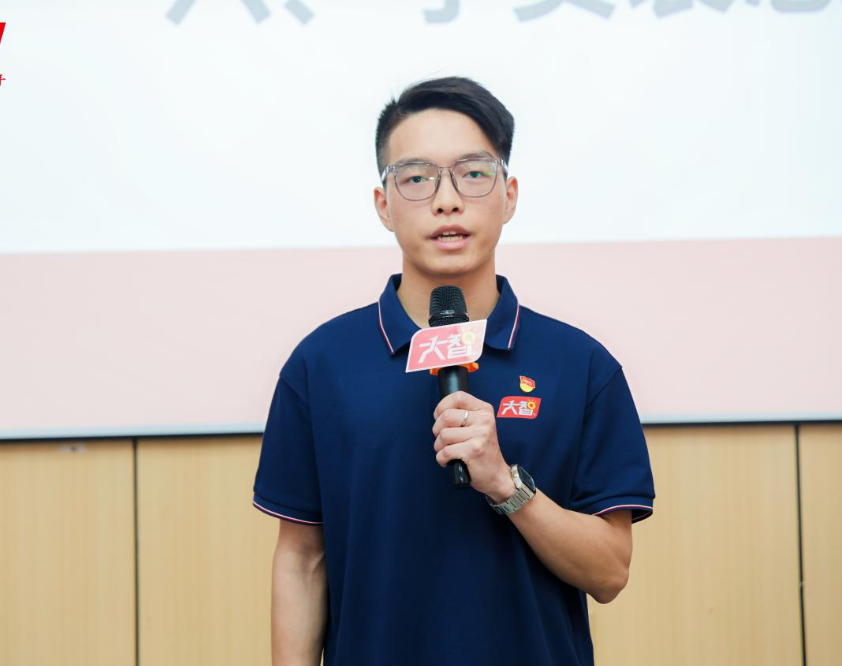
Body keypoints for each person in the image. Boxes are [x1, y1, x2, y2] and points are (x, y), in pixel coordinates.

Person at [251, 76, 655, 666]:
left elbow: (610, 572)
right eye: (417, 178)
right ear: (383, 205)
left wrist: (506, 484)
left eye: (472, 173)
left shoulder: (581, 366)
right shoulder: (322, 365)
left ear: (509, 196)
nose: (446, 201)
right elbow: (302, 560)